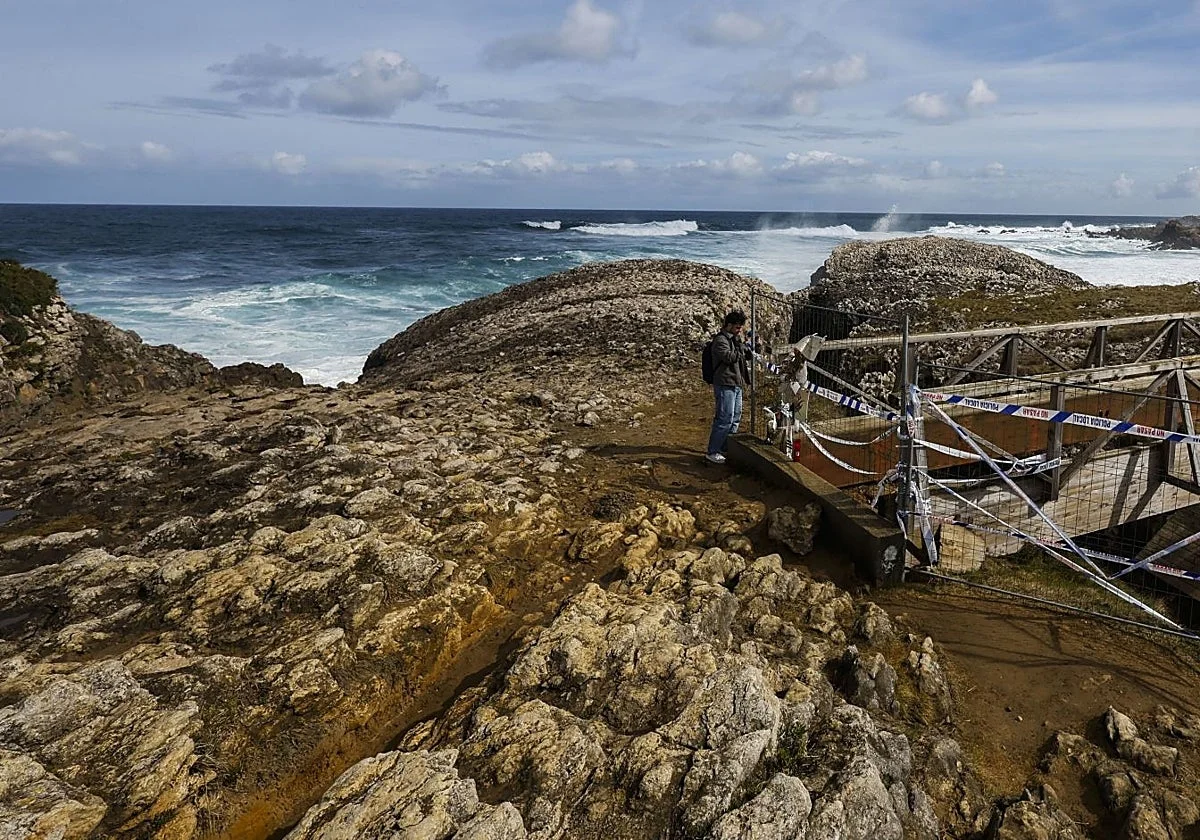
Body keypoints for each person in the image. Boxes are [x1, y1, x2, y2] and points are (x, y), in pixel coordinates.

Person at [706, 310, 752, 463]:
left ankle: (726, 446)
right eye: (738, 327)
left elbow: (741, 355)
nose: (740, 330)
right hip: (725, 383)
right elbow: (729, 357)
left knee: (735, 417)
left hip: (736, 383)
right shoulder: (720, 341)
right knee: (724, 418)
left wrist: (748, 349)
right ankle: (713, 451)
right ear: (729, 325)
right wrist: (742, 350)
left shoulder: (734, 339)